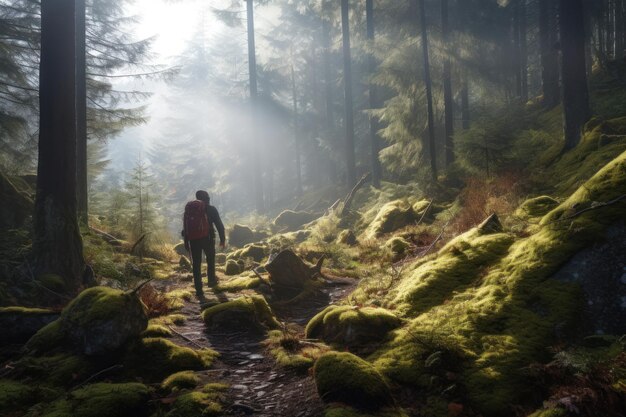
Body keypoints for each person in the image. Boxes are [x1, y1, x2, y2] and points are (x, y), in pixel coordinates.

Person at [183, 190, 225, 297]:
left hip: (193, 240)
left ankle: (199, 290)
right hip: (208, 238)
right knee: (210, 259)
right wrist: (222, 240)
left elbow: (186, 228)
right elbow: (219, 225)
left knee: (196, 264)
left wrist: (186, 242)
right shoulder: (211, 209)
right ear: (207, 198)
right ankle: (211, 281)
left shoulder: (189, 210)